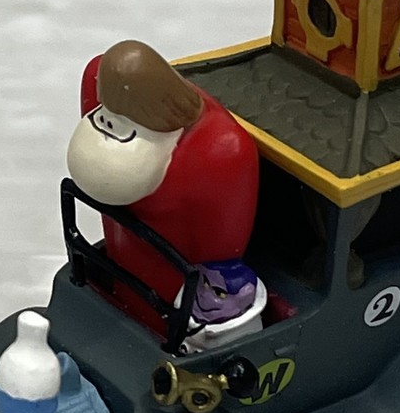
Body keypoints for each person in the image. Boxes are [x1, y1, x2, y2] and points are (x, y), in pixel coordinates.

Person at [66, 39, 260, 336]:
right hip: (127, 263)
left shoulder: (217, 151)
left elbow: (221, 245)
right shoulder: (98, 84)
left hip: (170, 288)